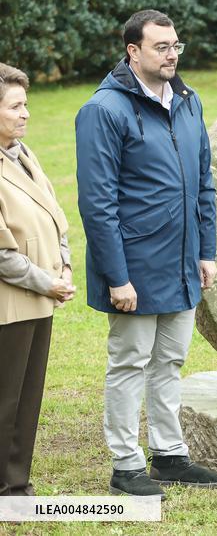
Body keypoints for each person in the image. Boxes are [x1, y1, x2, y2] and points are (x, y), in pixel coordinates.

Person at [75, 10, 217, 497]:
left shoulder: (187, 99)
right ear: (132, 52)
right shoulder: (104, 110)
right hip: (135, 268)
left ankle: (169, 455)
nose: (172, 54)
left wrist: (207, 250)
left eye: (176, 45)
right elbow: (97, 205)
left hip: (181, 264)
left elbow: (203, 181)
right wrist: (117, 278)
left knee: (169, 362)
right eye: (161, 47)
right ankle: (125, 464)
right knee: (130, 363)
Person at [0, 63, 76, 496]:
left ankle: (14, 484)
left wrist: (63, 268)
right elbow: (2, 253)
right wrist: (46, 282)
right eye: (15, 107)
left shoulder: (24, 155)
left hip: (40, 298)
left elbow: (56, 219)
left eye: (26, 104)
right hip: (11, 303)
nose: (25, 113)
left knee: (26, 401)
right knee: (5, 399)